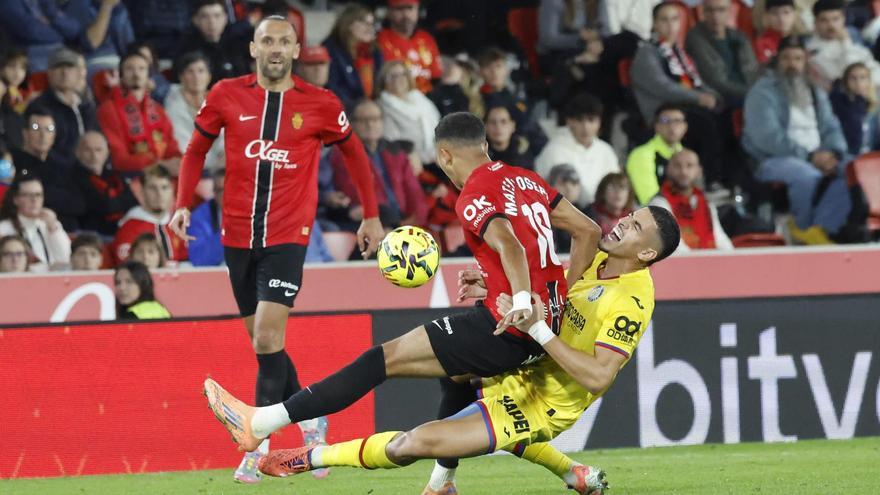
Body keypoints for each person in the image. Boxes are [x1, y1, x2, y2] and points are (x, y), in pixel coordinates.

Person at [201, 111, 602, 490]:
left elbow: (510, 245)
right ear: (484, 143)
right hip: (541, 328)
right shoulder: (526, 179)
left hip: (507, 328)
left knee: (382, 359)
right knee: (457, 377)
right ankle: (442, 483)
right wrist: (555, 298)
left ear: (444, 154)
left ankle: (263, 421)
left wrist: (517, 300)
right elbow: (587, 231)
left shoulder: (474, 192)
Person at [206, 205, 680, 495]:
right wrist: (498, 285)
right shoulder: (599, 257)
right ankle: (451, 483)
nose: (622, 225)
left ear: (647, 255)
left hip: (542, 403)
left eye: (635, 228)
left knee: (412, 443)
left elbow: (598, 378)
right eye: (629, 217)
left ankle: (310, 458)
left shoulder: (632, 302)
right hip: (526, 360)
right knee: (453, 370)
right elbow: (555, 291)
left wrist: (539, 332)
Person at [167, 15, 385, 483]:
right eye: (267, 40)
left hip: (289, 236)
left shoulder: (321, 104)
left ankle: (256, 445)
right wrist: (182, 204)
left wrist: (371, 214)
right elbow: (194, 151)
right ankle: (312, 419)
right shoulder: (227, 94)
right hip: (236, 237)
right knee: (268, 347)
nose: (276, 48)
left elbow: (355, 154)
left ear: (296, 49)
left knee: (267, 338)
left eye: (285, 41)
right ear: (253, 47)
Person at [743, 35, 850, 245]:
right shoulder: (763, 91)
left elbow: (831, 126)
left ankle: (823, 228)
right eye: (786, 58)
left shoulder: (815, 90)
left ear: (805, 62)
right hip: (773, 159)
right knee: (806, 176)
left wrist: (834, 153)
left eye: (798, 59)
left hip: (817, 154)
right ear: (777, 61)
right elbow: (767, 137)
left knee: (851, 169)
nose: (792, 64)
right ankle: (802, 229)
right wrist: (809, 156)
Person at [330, 99, 428, 230]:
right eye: (363, 120)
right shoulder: (343, 154)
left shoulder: (395, 153)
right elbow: (357, 195)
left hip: (404, 221)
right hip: (375, 225)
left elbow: (414, 192)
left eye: (375, 119)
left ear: (382, 122)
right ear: (351, 123)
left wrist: (416, 220)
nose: (370, 124)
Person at [97, 50, 181, 175]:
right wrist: (159, 164)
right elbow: (119, 160)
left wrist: (180, 160)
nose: (136, 74)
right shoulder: (109, 109)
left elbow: (171, 147)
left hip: (163, 176)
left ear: (149, 76)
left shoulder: (158, 109)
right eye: (130, 69)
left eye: (141, 69)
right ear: (121, 76)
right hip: (131, 177)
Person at [535, 94, 619, 208]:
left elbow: (616, 186)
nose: (586, 127)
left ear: (599, 122)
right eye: (580, 120)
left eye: (591, 120)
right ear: (569, 121)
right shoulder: (553, 151)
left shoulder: (606, 151)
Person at [11, 106, 86, 231]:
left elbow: (79, 204)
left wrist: (45, 194)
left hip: (66, 230)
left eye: (49, 129)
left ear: (54, 134)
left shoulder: (64, 165)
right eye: (36, 128)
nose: (43, 135)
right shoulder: (13, 160)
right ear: (25, 133)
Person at [649, 149, 733, 250]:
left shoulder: (706, 204)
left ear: (699, 171)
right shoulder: (658, 204)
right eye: (677, 166)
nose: (683, 171)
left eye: (689, 166)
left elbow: (720, 240)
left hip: (708, 262)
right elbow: (673, 246)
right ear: (668, 169)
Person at [27, 48, 99, 164]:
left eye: (70, 67)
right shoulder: (40, 105)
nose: (65, 72)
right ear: (49, 73)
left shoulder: (87, 105)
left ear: (78, 73)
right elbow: (40, 147)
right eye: (58, 67)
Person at [685, 0, 760, 107]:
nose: (715, 16)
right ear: (703, 12)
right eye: (710, 11)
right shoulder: (696, 38)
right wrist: (752, 93)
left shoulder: (739, 36)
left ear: (729, 12)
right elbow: (715, 81)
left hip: (749, 93)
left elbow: (753, 71)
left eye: (721, 10)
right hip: (720, 98)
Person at [110, 164, 186, 265]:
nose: (159, 194)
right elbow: (128, 267)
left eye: (165, 188)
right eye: (152, 188)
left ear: (172, 191)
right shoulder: (129, 227)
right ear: (142, 192)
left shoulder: (179, 225)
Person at [164, 51, 225, 173]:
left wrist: (224, 155)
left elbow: (226, 137)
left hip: (220, 167)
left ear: (209, 76)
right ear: (181, 76)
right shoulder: (173, 104)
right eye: (190, 72)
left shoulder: (218, 101)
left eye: (201, 71)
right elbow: (181, 144)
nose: (196, 77)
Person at [71, 131, 138, 236]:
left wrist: (114, 204)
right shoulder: (72, 177)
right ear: (77, 152)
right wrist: (118, 203)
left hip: (124, 231)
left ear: (107, 152)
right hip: (92, 236)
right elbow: (102, 206)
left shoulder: (116, 176)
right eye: (88, 150)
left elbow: (133, 201)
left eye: (98, 150)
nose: (94, 155)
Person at [377, 60, 442, 166]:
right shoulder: (382, 107)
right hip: (412, 164)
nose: (398, 79)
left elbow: (440, 128)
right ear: (384, 81)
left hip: (437, 158)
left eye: (403, 74)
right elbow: (394, 144)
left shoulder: (421, 100)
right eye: (392, 76)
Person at [0, 175, 71, 271]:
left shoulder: (50, 224)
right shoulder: (4, 228)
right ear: (15, 200)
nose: (34, 200)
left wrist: (54, 228)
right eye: (28, 195)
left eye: (38, 195)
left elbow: (65, 258)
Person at [807, 0, 880, 90]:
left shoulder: (853, 39)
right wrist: (846, 43)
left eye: (835, 19)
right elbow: (850, 76)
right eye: (824, 20)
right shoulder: (813, 52)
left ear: (843, 19)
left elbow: (875, 69)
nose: (831, 25)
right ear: (816, 22)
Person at [323, 3, 383, 109]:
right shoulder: (331, 50)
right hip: (346, 110)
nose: (370, 28)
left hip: (373, 109)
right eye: (365, 23)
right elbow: (333, 88)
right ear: (348, 24)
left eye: (372, 24)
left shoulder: (375, 51)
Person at [626, 103, 687, 205]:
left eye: (677, 121)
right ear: (656, 126)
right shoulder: (641, 155)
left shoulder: (688, 156)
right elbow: (651, 202)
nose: (672, 126)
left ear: (685, 127)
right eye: (665, 121)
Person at [377, 0, 442, 94]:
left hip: (428, 98)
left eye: (410, 8)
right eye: (399, 9)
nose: (406, 14)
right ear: (389, 12)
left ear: (418, 10)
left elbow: (436, 77)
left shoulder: (427, 38)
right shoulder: (381, 40)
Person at [180, 0, 251, 84]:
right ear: (195, 20)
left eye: (217, 16)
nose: (211, 22)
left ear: (225, 18)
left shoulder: (239, 45)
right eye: (205, 17)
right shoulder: (186, 48)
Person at [0, 0, 81, 72]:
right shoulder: (7, 2)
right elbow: (30, 31)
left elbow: (74, 29)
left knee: (79, 67)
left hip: (60, 49)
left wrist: (53, 20)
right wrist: (60, 31)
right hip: (31, 53)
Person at [61, 0, 135, 73]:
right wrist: (106, 7)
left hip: (120, 62)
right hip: (93, 62)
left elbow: (129, 46)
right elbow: (91, 42)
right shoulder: (78, 4)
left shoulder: (120, 8)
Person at [829, 62, 880, 155]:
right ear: (845, 81)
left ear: (869, 81)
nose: (858, 82)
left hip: (870, 157)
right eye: (853, 78)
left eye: (863, 77)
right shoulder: (839, 102)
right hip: (848, 155)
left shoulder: (873, 105)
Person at [188, 167, 224, 267]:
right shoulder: (199, 217)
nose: (226, 194)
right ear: (215, 193)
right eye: (221, 190)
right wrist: (227, 230)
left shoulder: (254, 212)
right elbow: (199, 260)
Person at [585, 173, 637, 237]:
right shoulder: (588, 214)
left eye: (623, 187)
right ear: (603, 192)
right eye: (613, 187)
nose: (618, 192)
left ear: (629, 194)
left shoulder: (635, 219)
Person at [485, 105, 536, 171]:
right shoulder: (478, 155)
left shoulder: (524, 157)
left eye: (503, 121)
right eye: (492, 122)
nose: (498, 126)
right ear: (485, 127)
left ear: (512, 126)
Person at [754, 0, 798, 64]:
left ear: (794, 15)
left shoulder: (804, 41)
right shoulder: (762, 44)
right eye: (774, 13)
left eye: (786, 12)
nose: (781, 18)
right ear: (767, 16)